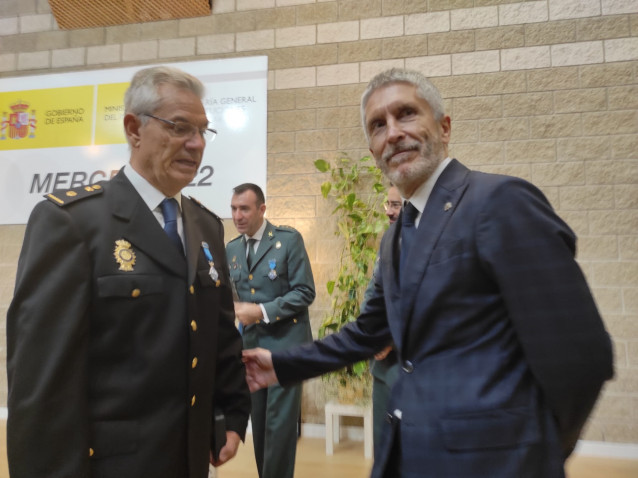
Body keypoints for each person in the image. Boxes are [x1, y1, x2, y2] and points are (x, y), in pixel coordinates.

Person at [242, 68, 614, 478]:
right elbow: (370, 330)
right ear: (373, 150)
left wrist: (535, 449)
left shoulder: (500, 201)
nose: (394, 132)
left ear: (444, 127)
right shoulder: (397, 235)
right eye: (378, 125)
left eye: (407, 114)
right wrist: (282, 365)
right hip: (410, 453)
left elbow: (582, 355)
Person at [6, 66, 251, 478]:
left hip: (190, 459)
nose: (195, 144)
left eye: (203, 131)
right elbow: (41, 384)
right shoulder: (72, 223)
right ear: (134, 129)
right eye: (180, 127)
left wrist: (231, 413)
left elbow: (219, 335)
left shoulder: (206, 225)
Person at [226, 183, 315, 478]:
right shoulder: (233, 249)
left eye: (245, 209)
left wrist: (262, 311)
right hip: (251, 348)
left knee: (279, 428)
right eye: (234, 209)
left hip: (287, 347)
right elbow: (234, 299)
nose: (237, 216)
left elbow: (304, 292)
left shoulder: (288, 241)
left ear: (262, 209)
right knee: (261, 425)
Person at [368, 185, 401, 459]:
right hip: (382, 366)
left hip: (408, 368)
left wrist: (389, 336)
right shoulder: (388, 241)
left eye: (396, 205)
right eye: (388, 204)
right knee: (383, 451)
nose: (389, 212)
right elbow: (373, 294)